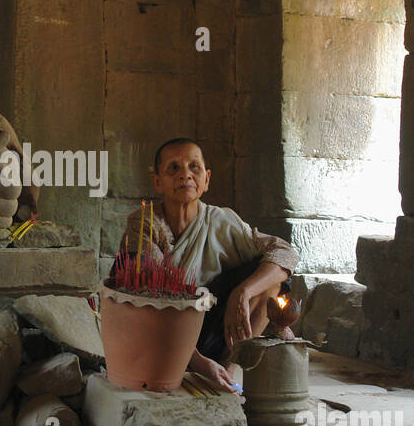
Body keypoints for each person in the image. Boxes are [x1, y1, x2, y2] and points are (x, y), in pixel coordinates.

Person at [119, 137, 299, 392]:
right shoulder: (145, 224)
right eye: (173, 168)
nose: (185, 175)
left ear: (206, 179)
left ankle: (233, 369)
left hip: (218, 330)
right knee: (145, 289)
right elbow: (152, 301)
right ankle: (198, 367)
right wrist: (200, 363)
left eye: (194, 168)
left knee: (271, 276)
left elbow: (285, 253)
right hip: (165, 337)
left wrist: (242, 292)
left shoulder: (223, 221)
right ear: (157, 181)